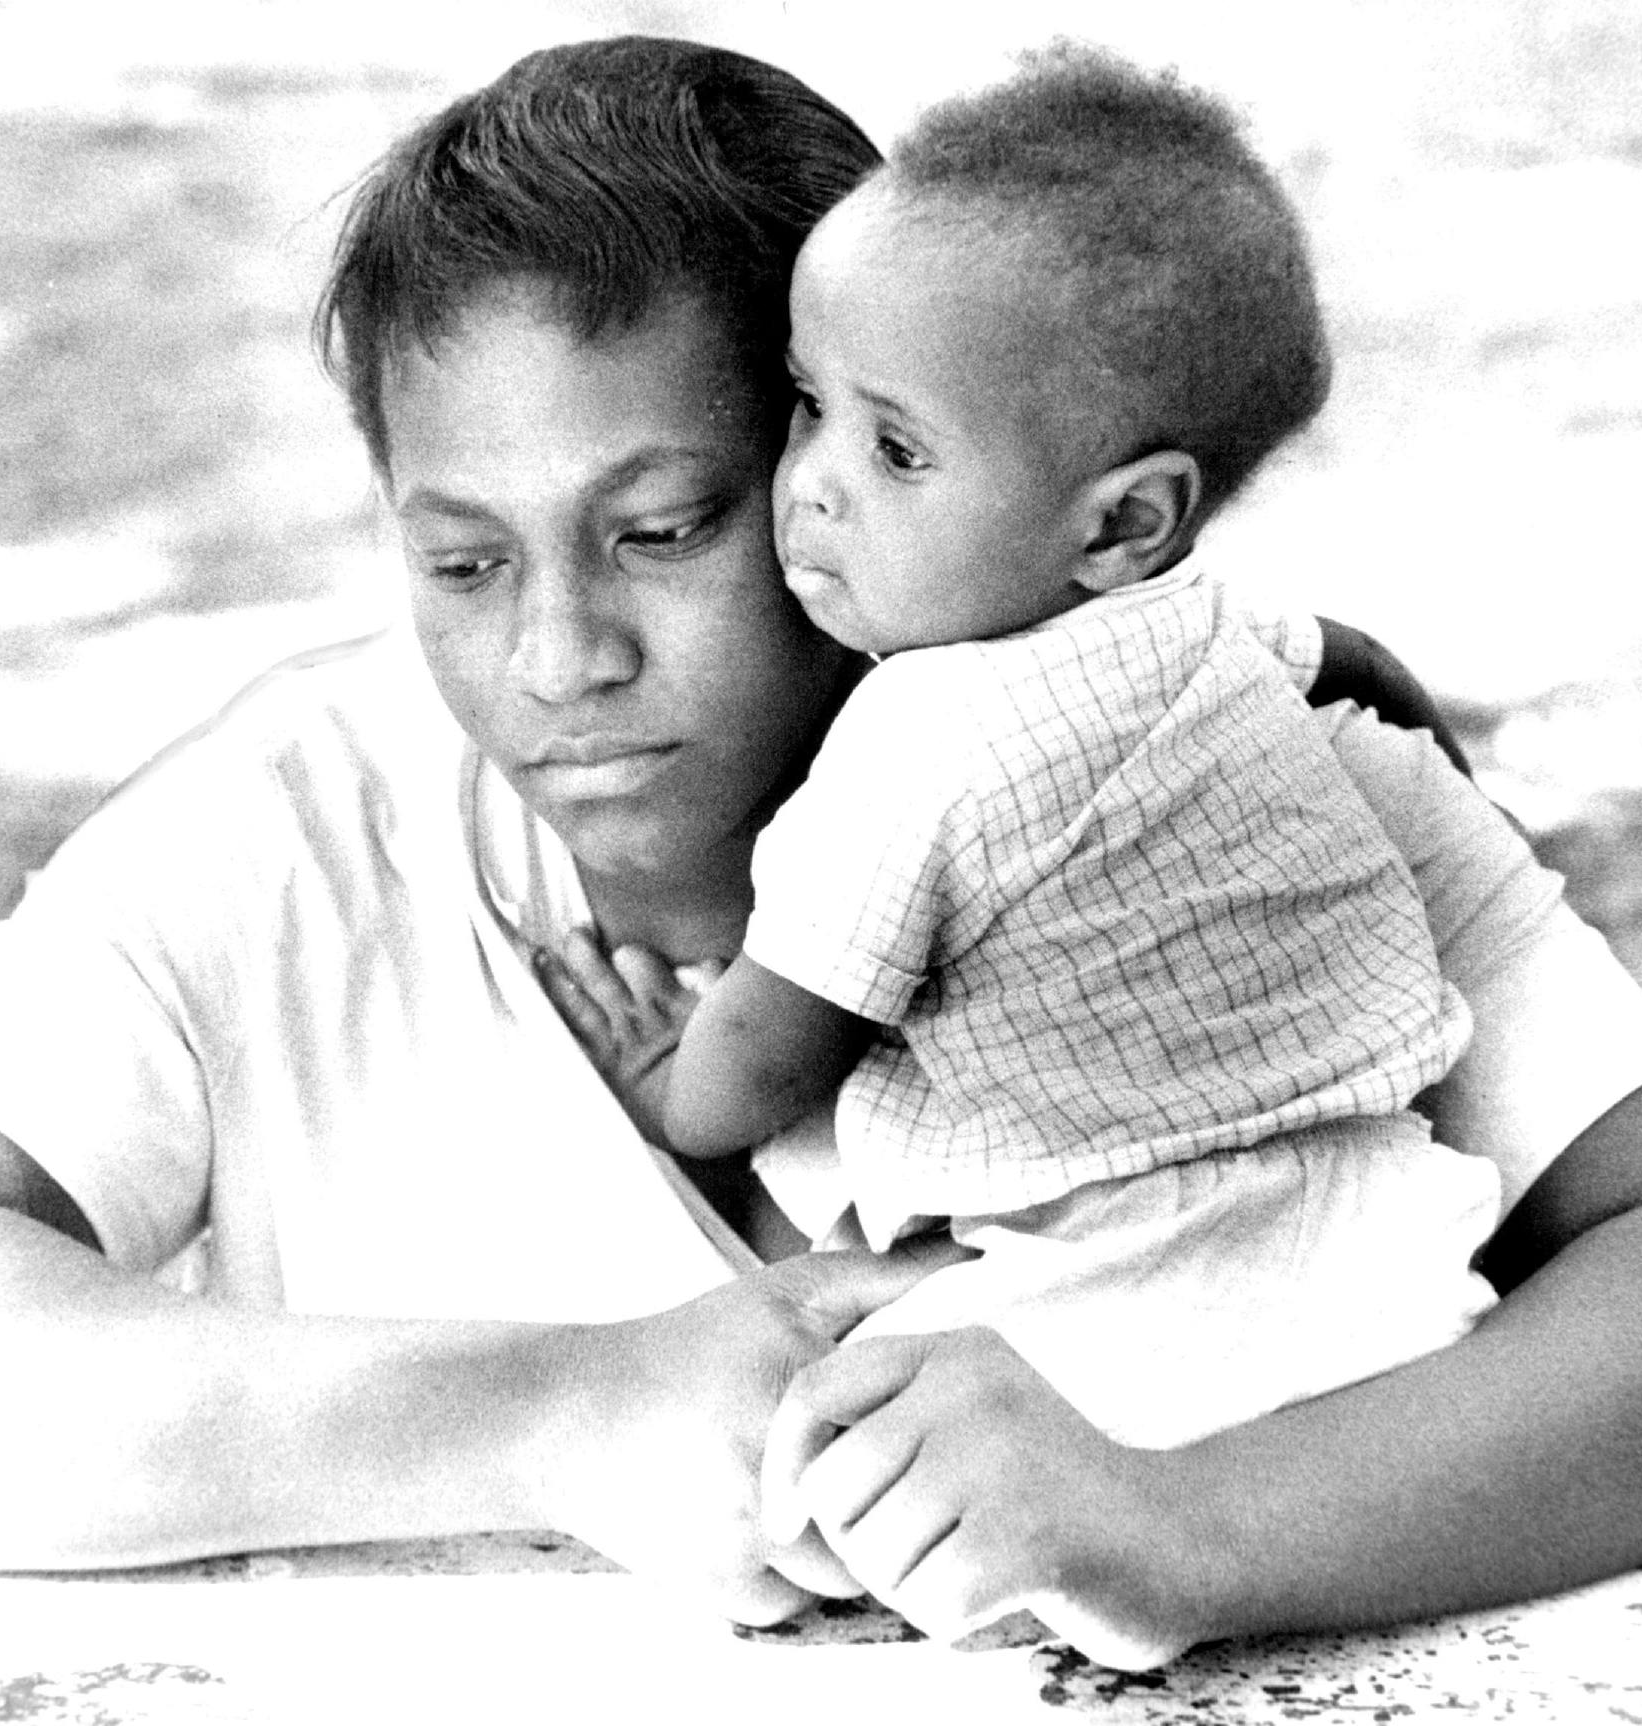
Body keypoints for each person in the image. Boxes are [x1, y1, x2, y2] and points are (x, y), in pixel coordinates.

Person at [0, 36, 1642, 1677]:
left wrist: (1181, 1522)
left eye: (669, 528)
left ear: (858, 451)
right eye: (463, 559)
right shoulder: (302, 825)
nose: (559, 658)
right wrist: (564, 1408)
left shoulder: (1220, 749)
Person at [600, 47, 1498, 1456]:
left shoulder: (917, 739)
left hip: (1113, 1294)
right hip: (1391, 1231)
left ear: (1123, 522)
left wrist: (660, 1079)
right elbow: (1365, 670)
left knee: (798, 1453)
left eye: (898, 451)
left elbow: (766, 1055)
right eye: (807, 401)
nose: (815, 481)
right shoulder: (1200, 622)